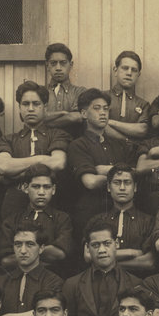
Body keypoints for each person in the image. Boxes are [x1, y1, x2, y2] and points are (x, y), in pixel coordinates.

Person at [61, 216, 143, 316]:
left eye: (107, 243)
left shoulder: (136, 284)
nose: (102, 250)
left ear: (116, 244)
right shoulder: (72, 285)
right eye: (95, 245)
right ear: (87, 248)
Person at [66, 88, 140, 233]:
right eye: (97, 108)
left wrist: (104, 170)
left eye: (106, 109)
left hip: (120, 214)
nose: (103, 113)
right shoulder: (78, 145)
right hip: (90, 214)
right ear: (84, 113)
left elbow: (134, 174)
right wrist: (119, 173)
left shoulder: (119, 145)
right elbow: (90, 182)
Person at [0, 81, 70, 220]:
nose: (30, 109)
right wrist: (40, 159)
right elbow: (3, 166)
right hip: (14, 203)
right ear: (19, 108)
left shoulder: (57, 135)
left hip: (50, 203)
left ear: (45, 107)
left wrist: (16, 171)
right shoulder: (9, 140)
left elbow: (58, 163)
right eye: (25, 104)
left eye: (36, 104)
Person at [0, 166, 74, 273]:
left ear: (53, 190)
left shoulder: (62, 219)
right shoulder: (12, 221)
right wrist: (43, 253)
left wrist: (23, 254)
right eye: (36, 187)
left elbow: (59, 253)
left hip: (51, 277)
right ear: (25, 188)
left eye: (46, 187)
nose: (41, 192)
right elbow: (6, 260)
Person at [0, 224, 65, 316]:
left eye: (30, 244)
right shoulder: (1, 281)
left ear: (41, 248)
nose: (22, 251)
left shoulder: (53, 281)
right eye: (18, 244)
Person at [98, 164, 156, 275]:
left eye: (127, 182)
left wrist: (106, 262)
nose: (122, 188)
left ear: (135, 187)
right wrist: (131, 253)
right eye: (117, 182)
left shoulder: (148, 221)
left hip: (137, 284)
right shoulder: (99, 221)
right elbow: (88, 256)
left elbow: (149, 262)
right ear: (108, 187)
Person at [42, 42, 87, 136]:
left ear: (71, 65)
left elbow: (77, 117)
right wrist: (64, 113)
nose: (58, 68)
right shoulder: (40, 92)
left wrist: (44, 121)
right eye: (53, 63)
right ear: (47, 65)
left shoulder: (80, 92)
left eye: (63, 63)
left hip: (72, 144)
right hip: (44, 144)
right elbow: (33, 117)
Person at [106, 50, 151, 141]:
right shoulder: (101, 97)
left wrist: (110, 122)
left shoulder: (143, 104)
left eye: (134, 70)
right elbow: (98, 125)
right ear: (115, 70)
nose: (129, 73)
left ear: (138, 75)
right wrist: (127, 140)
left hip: (132, 153)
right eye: (125, 68)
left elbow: (142, 130)